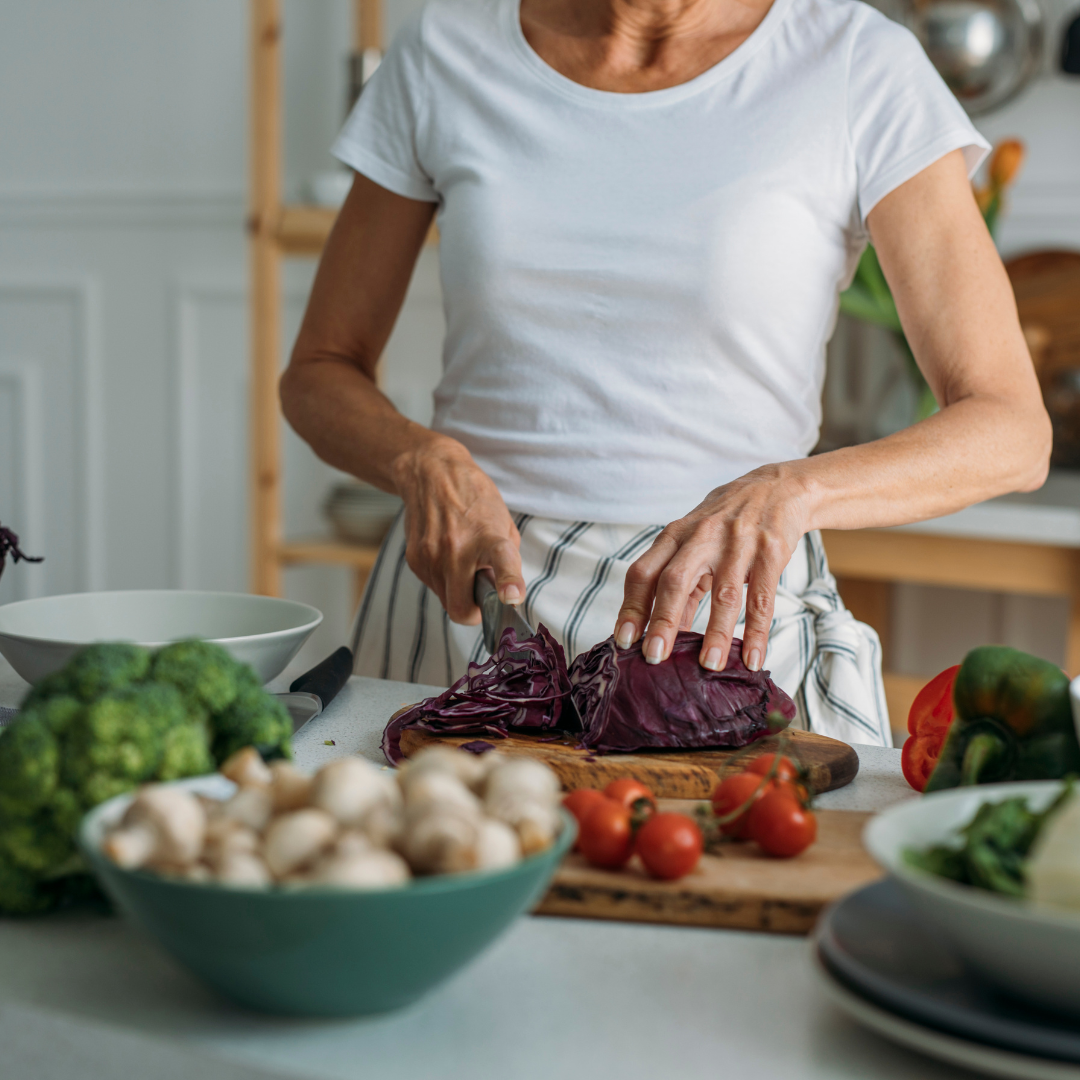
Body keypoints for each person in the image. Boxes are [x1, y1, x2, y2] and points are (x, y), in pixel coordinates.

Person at [280, 0, 1051, 746]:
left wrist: (791, 490)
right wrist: (422, 460)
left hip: (716, 631)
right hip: (464, 605)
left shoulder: (859, 63)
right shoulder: (445, 51)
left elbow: (1011, 428)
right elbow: (319, 370)